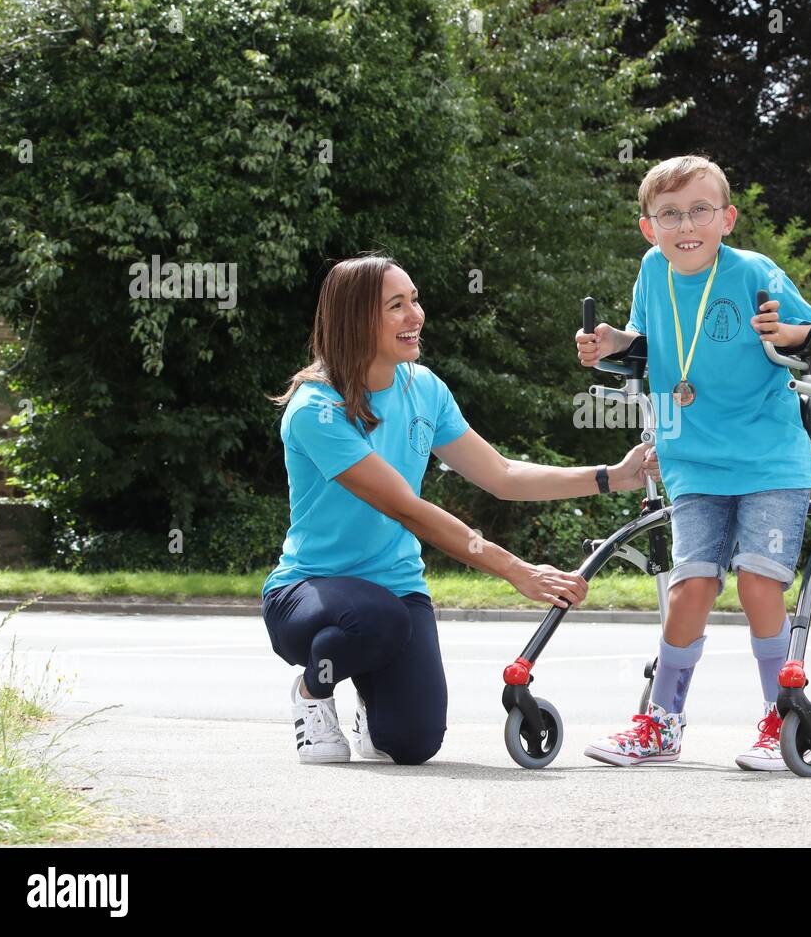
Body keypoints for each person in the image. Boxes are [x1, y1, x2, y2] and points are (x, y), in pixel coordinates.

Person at [263, 255, 658, 765]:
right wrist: (515, 569)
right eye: (397, 306)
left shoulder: (423, 388)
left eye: (415, 300)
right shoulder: (316, 410)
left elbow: (502, 476)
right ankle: (314, 694)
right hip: (308, 593)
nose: (416, 315)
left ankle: (372, 695)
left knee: (412, 743)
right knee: (377, 619)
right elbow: (407, 509)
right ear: (356, 320)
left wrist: (612, 477)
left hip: (394, 588)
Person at [575, 155, 811, 770]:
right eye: (670, 214)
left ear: (726, 219)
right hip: (691, 460)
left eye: (699, 211)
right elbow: (642, 349)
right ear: (649, 227)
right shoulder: (651, 272)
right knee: (690, 587)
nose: (685, 224)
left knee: (757, 584)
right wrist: (608, 343)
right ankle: (660, 725)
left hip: (769, 458)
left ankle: (782, 719)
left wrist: (786, 334)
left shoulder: (752, 272)